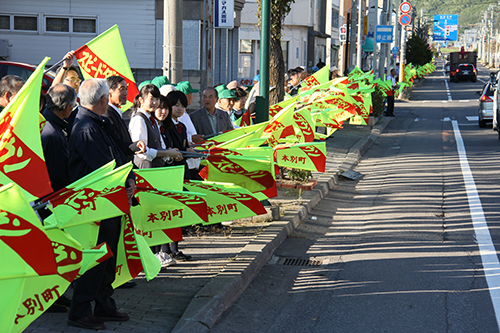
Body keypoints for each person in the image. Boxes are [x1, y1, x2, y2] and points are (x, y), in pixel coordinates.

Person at [67, 79, 134, 330]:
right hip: (95, 204)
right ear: (104, 100)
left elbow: (116, 154)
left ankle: (104, 304)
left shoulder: (97, 123)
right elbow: (105, 167)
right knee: (96, 257)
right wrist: (124, 180)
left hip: (107, 202)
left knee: (108, 256)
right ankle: (80, 310)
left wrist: (129, 179)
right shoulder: (86, 127)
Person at [128, 84, 182, 268]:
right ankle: (149, 255)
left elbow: (157, 147)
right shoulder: (138, 119)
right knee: (147, 214)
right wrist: (165, 153)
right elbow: (141, 151)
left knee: (155, 214)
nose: (154, 102)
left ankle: (156, 253)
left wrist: (169, 152)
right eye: (150, 98)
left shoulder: (151, 120)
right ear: (141, 100)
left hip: (155, 170)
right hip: (145, 170)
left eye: (156, 98)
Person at [160, 91, 194, 262]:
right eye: (176, 105)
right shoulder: (164, 127)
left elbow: (184, 146)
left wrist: (190, 151)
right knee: (169, 210)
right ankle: (166, 249)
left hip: (181, 169)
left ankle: (175, 248)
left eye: (183, 106)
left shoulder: (181, 126)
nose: (180, 109)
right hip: (169, 170)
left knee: (179, 210)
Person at [103, 76, 146, 165]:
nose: (126, 93)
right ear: (109, 91)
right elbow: (117, 145)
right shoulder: (107, 115)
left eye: (126, 89)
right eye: (121, 89)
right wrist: (134, 147)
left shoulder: (115, 113)